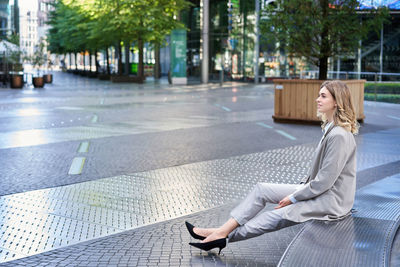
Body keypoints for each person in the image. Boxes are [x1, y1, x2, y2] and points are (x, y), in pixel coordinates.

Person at [186, 80, 359, 255]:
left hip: (330, 201)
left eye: (323, 96)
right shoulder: (331, 128)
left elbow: (325, 182)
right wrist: (297, 192)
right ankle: (220, 231)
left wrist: (293, 197)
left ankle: (222, 236)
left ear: (336, 101)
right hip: (319, 191)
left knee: (275, 215)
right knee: (262, 190)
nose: (317, 99)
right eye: (318, 95)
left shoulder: (339, 135)